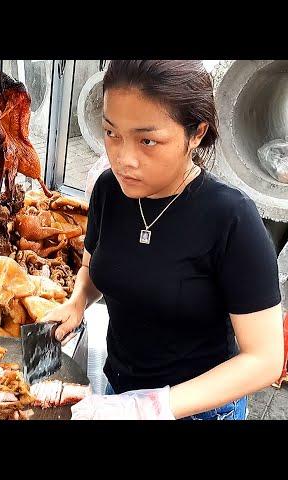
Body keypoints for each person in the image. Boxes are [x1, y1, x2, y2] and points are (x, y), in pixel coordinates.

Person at [41, 60, 283, 420]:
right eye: (111, 133)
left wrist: (151, 407)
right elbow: (93, 266)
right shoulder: (109, 189)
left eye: (147, 140)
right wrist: (78, 301)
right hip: (119, 394)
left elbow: (265, 358)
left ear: (196, 133)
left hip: (199, 410)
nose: (124, 159)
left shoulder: (232, 219)